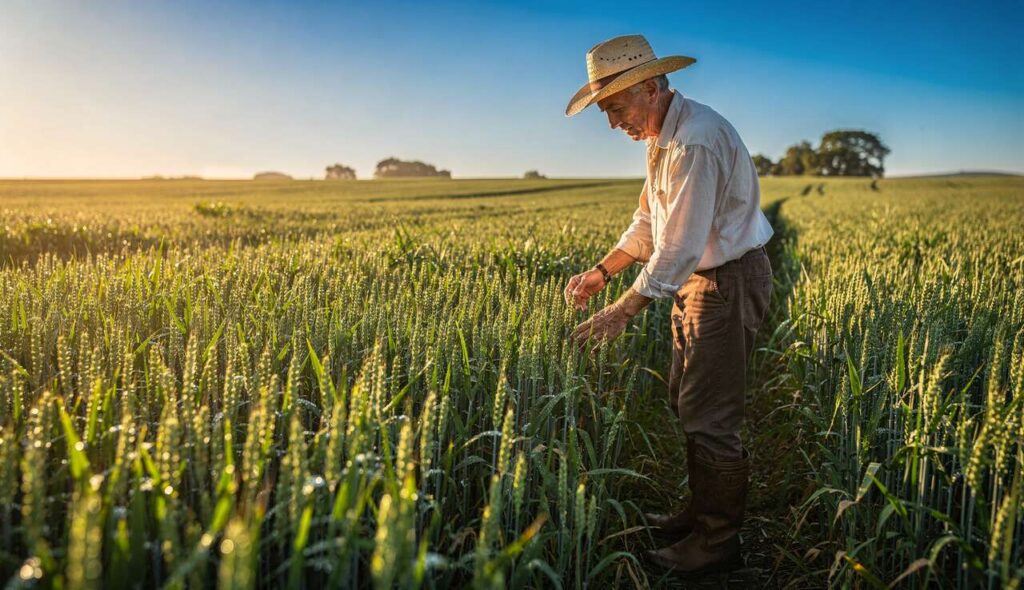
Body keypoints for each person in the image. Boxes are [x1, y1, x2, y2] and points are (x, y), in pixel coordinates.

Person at [562, 34, 774, 575]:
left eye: (614, 107)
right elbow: (648, 223)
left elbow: (678, 246)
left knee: (710, 416)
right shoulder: (664, 138)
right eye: (604, 111)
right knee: (688, 399)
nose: (612, 124)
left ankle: (718, 542)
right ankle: (700, 511)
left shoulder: (694, 142)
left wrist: (621, 311)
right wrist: (603, 271)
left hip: (723, 285)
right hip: (702, 284)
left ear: (651, 88)